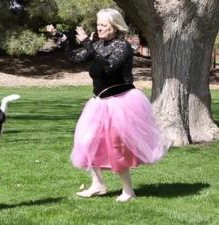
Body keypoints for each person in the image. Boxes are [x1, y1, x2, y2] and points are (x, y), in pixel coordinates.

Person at [47, 8, 169, 202]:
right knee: (86, 141)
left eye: (103, 25)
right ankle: (98, 184)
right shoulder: (98, 45)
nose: (99, 28)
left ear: (115, 26)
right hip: (99, 103)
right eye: (98, 25)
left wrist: (89, 43)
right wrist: (58, 36)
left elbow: (110, 66)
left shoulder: (123, 46)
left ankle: (128, 190)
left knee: (116, 147)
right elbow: (75, 58)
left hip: (121, 102)